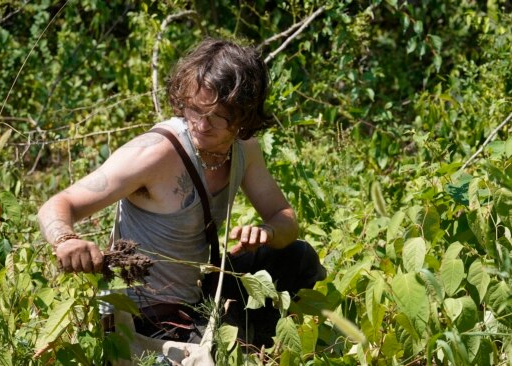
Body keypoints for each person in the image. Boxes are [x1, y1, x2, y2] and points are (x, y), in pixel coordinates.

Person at [37, 38, 326, 346]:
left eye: (217, 116)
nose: (201, 124)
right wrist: (67, 240)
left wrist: (268, 232)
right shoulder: (155, 152)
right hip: (145, 309)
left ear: (244, 114)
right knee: (213, 353)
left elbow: (286, 220)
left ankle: (269, 346)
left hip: (199, 289)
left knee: (298, 258)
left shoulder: (244, 150)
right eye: (194, 109)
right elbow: (58, 204)